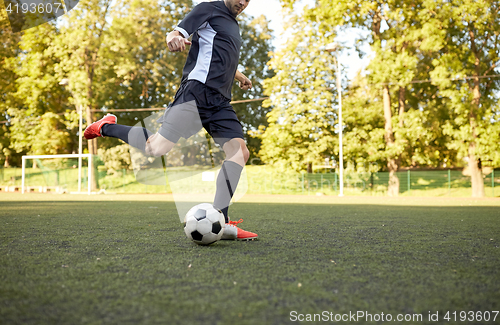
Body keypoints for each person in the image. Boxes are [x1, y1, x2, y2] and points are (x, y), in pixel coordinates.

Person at [83, 0, 257, 241]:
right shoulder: (208, 8)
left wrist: (238, 75)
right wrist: (173, 37)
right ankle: (106, 126)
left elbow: (219, 55)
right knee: (156, 148)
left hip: (220, 102)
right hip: (195, 93)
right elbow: (178, 32)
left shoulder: (233, 24)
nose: (243, 2)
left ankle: (222, 219)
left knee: (239, 152)